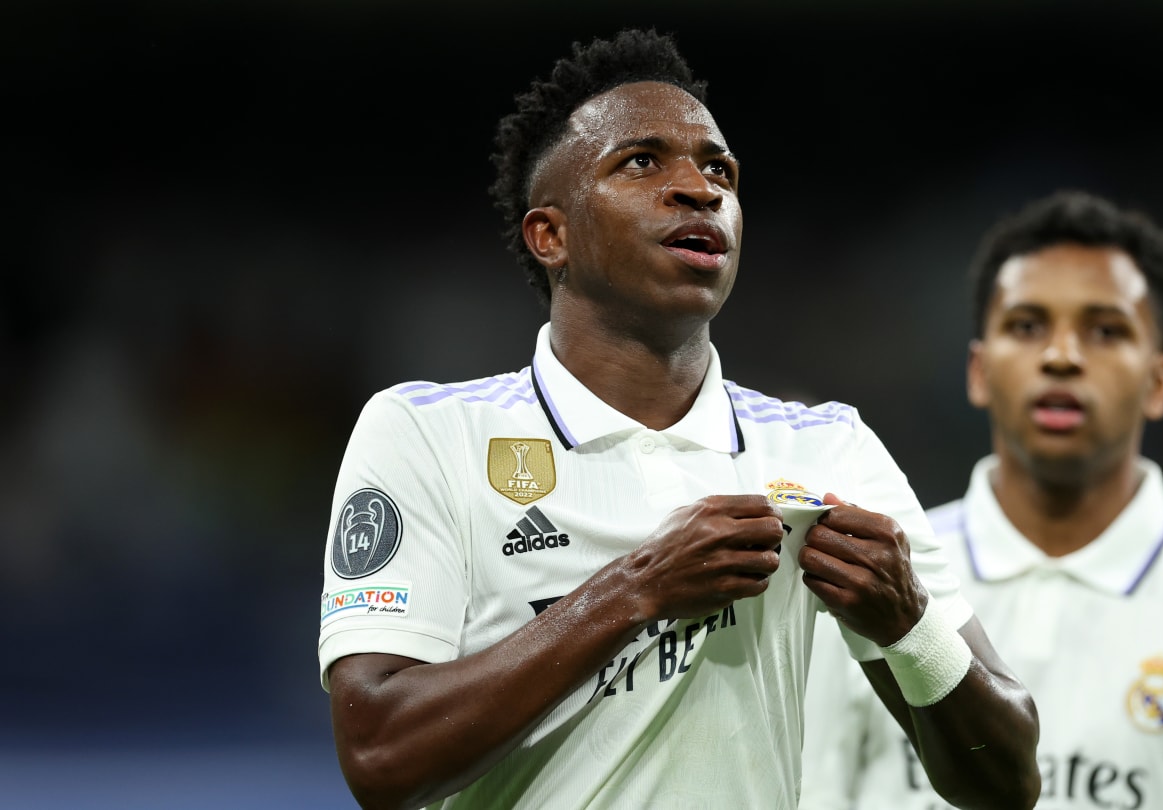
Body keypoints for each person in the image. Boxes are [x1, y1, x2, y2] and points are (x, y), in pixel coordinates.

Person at [317, 28, 1041, 810]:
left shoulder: (826, 447)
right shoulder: (429, 434)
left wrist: (908, 624)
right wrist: (638, 589)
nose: (699, 189)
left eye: (719, 169)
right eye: (641, 162)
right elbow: (379, 755)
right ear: (551, 235)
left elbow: (1006, 783)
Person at [800, 190, 1163, 809]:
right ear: (979, 371)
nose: (1062, 356)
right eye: (1027, 326)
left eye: (1106, 330)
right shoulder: (871, 575)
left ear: (1159, 382)